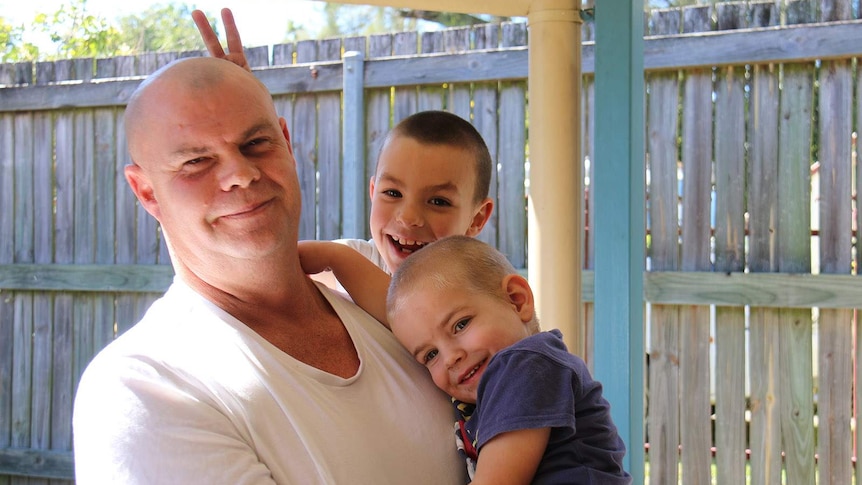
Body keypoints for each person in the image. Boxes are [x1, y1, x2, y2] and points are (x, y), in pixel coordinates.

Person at [71, 56, 465, 484]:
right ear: (147, 191)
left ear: (286, 143)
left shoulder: (379, 296)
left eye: (255, 143)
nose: (240, 174)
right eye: (196, 161)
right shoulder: (145, 386)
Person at [299, 236, 632, 484]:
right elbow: (400, 318)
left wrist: (334, 257)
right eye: (430, 354)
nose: (451, 357)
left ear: (516, 301)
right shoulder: (499, 370)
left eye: (460, 325)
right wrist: (336, 259)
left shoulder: (526, 365)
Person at [193, 9, 495, 277]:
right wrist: (244, 105)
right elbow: (264, 268)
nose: (409, 217)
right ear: (373, 192)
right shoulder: (343, 266)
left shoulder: (485, 289)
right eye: (392, 192)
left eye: (438, 202)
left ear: (476, 218)